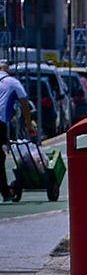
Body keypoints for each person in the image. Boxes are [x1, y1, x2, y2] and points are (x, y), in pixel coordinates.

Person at [0, 61, 38, 202]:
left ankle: (5, 191)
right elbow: (24, 103)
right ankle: (5, 192)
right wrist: (29, 125)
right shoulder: (13, 82)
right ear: (7, 71)